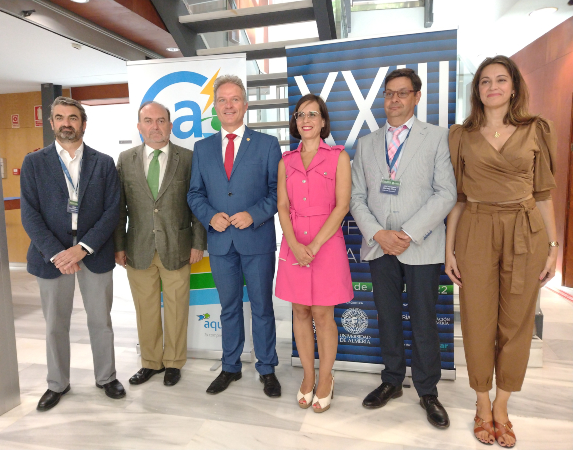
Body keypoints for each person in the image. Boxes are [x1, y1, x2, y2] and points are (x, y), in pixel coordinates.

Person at [445, 55, 557, 448]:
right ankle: (481, 403)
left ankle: (502, 405)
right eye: (485, 81)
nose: (493, 87)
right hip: (475, 228)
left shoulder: (536, 129)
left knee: (517, 322)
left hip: (526, 231)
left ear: (513, 87)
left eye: (501, 80)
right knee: (476, 320)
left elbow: (544, 195)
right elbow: (458, 198)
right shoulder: (461, 135)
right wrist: (449, 251)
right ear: (477, 90)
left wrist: (554, 247)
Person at [350, 68, 456, 429]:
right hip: (380, 246)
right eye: (389, 93)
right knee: (388, 315)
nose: (394, 100)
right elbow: (356, 196)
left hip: (421, 245)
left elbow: (446, 193)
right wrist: (378, 233)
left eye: (402, 93)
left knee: (424, 319)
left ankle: (428, 391)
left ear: (416, 96)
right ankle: (392, 380)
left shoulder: (437, 137)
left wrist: (408, 233)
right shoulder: (366, 143)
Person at [21, 96, 124, 411]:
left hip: (94, 251)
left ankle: (106, 377)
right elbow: (29, 214)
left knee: (101, 320)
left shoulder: (103, 162)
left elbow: (113, 211)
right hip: (52, 256)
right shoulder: (34, 163)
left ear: (83, 124)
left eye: (73, 118)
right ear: (51, 123)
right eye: (60, 117)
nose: (66, 123)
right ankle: (57, 383)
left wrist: (82, 248)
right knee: (55, 324)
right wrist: (57, 253)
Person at [187, 75, 282, 397]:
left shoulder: (267, 144)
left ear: (245, 105)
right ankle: (230, 366)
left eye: (235, 99)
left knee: (261, 307)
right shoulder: (202, 148)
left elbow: (277, 192)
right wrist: (210, 216)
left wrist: (253, 214)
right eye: (223, 100)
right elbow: (194, 193)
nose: (229, 105)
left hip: (256, 239)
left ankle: (267, 368)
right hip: (220, 241)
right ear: (215, 107)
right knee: (228, 307)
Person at [114, 101, 206, 387]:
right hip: (137, 248)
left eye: (161, 120)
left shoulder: (188, 158)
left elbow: (198, 204)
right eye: (148, 121)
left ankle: (174, 363)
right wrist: (118, 246)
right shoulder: (125, 159)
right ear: (139, 126)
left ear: (170, 125)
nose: (155, 126)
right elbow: (118, 208)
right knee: (146, 309)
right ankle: (151, 362)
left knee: (178, 309)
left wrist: (198, 243)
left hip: (178, 247)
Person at [275, 94, 353, 413]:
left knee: (322, 314)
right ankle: (308, 375)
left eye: (312, 114)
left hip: (326, 243)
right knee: (300, 311)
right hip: (294, 242)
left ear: (323, 121)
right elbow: (282, 205)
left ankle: (326, 377)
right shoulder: (286, 161)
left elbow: (342, 206)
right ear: (295, 122)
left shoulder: (338, 157)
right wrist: (294, 244)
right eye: (300, 114)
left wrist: (315, 246)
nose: (305, 120)